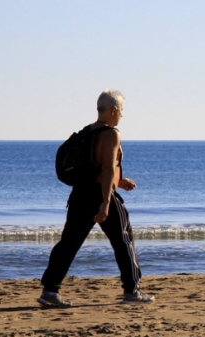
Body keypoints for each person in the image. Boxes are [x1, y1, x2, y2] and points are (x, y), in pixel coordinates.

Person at [38, 89, 155, 306]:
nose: (122, 115)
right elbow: (108, 167)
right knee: (123, 241)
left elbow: (92, 167)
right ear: (113, 110)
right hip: (100, 194)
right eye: (121, 110)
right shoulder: (111, 133)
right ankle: (132, 291)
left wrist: (120, 182)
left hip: (79, 195)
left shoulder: (86, 133)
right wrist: (106, 202)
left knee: (68, 244)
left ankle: (50, 292)